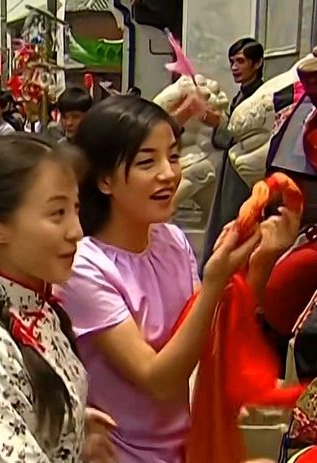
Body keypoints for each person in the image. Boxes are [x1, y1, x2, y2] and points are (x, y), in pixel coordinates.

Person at [58, 95, 300, 462]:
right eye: (147, 162)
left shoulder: (170, 239)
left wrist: (261, 260)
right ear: (105, 180)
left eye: (172, 156)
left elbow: (212, 337)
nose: (169, 174)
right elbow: (157, 380)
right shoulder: (84, 266)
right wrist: (215, 281)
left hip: (188, 443)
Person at [0, 134, 116, 462]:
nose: (76, 230)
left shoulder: (38, 308)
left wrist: (71, 428)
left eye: (75, 209)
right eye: (57, 213)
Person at [202, 38, 265, 265]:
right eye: (232, 62)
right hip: (231, 168)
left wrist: (219, 123)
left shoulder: (261, 97)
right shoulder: (241, 95)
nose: (234, 68)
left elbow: (244, 137)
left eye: (240, 61)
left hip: (245, 173)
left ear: (257, 63)